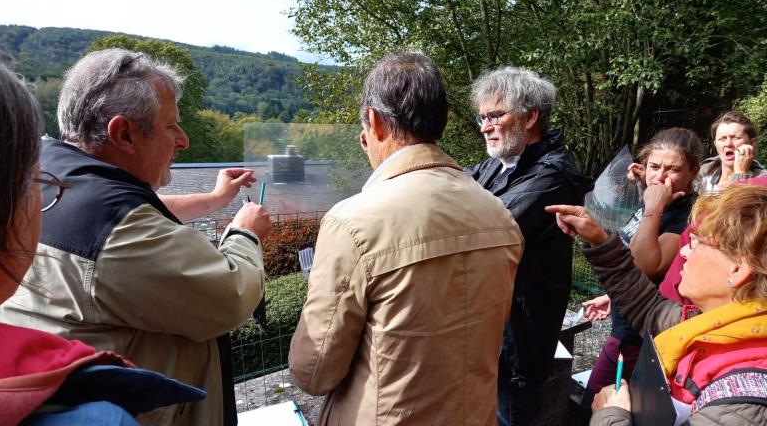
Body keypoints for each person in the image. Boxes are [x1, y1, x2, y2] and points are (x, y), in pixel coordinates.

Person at [0, 49, 271, 426]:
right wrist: (245, 233)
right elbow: (230, 294)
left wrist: (213, 199)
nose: (184, 139)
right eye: (171, 125)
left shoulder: (48, 170)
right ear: (123, 133)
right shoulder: (115, 227)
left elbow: (139, 208)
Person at [289, 52, 524, 425]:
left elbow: (313, 372)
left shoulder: (352, 221)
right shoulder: (499, 215)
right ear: (443, 123)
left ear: (374, 122)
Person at [546, 183, 767, 426]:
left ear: (737, 270)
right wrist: (599, 239)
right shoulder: (715, 326)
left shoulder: (745, 404)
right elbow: (648, 307)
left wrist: (609, 415)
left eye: (698, 242)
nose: (684, 252)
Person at [464, 66, 591, 425]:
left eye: (495, 115)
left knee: (511, 416)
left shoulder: (552, 176)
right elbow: (454, 182)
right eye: (482, 116)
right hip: (492, 328)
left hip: (519, 338)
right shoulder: (499, 164)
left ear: (531, 116)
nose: (484, 126)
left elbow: (483, 230)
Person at [580, 128, 701, 408]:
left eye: (672, 169)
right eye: (654, 167)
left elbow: (646, 265)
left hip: (641, 335)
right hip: (627, 319)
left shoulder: (682, 212)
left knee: (596, 405)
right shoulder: (657, 200)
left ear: (693, 171)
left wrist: (653, 207)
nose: (660, 177)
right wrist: (613, 297)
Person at [700, 111, 766, 193]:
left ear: (752, 143)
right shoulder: (701, 174)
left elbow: (737, 205)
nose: (728, 144)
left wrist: (740, 175)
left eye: (736, 138)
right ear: (715, 144)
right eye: (722, 139)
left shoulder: (762, 180)